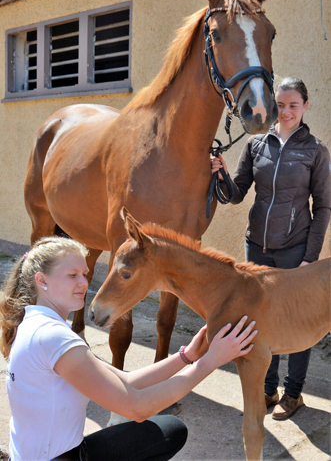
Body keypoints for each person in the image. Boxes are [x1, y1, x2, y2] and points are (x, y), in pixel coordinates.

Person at [0, 236, 257, 461]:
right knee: (163, 431)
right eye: (72, 275)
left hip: (43, 455)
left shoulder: (33, 324)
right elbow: (136, 407)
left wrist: (186, 356)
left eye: (84, 273)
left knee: (169, 431)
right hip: (62, 458)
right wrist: (211, 361)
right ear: (41, 280)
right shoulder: (53, 336)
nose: (84, 283)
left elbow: (126, 381)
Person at [211, 77, 331, 420]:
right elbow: (237, 193)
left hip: (296, 249)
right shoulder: (256, 144)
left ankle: (293, 394)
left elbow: (324, 207)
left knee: (297, 320)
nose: (287, 111)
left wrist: (311, 256)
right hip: (257, 247)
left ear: (305, 106)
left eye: (294, 105)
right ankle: (268, 388)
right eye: (280, 105)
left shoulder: (315, 150)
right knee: (260, 319)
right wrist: (221, 174)